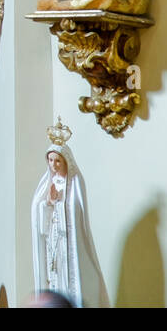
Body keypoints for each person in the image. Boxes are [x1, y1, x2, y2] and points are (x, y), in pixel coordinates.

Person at [30, 129, 109, 308]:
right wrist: (48, 203)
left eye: (58, 160)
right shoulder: (47, 184)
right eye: (51, 160)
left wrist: (59, 203)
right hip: (54, 242)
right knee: (55, 277)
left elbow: (76, 213)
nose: (54, 165)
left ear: (66, 161)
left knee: (69, 278)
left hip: (70, 243)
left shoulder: (75, 183)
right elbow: (39, 215)